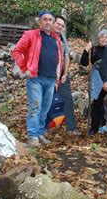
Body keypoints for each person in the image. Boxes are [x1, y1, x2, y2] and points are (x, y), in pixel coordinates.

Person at [12, 11, 63, 147]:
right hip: (36, 78)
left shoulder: (56, 39)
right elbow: (16, 51)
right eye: (44, 19)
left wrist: (57, 78)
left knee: (45, 108)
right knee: (35, 107)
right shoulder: (31, 35)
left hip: (51, 79)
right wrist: (24, 68)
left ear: (52, 22)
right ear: (39, 21)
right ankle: (32, 136)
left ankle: (40, 133)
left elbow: (59, 60)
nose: (47, 22)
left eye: (50, 19)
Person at [80, 29, 107, 135]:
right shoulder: (94, 49)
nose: (103, 39)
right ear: (98, 39)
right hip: (98, 80)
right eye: (101, 37)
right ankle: (94, 128)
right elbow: (83, 64)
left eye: (106, 37)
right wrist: (86, 50)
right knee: (97, 104)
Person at [52, 15, 79, 135]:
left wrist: (65, 74)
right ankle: (41, 130)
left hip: (62, 75)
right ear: (53, 23)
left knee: (68, 100)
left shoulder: (62, 37)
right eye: (58, 24)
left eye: (62, 26)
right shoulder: (46, 36)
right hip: (48, 76)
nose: (60, 27)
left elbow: (66, 56)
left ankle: (71, 128)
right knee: (45, 102)